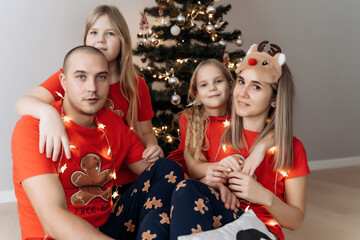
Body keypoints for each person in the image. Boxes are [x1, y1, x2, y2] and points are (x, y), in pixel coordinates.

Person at [12, 46, 184, 240]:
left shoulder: (112, 124)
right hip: (58, 236)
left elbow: (157, 174)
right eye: (81, 77)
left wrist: (206, 180)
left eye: (101, 77)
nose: (92, 87)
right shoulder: (33, 127)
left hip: (106, 230)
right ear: (63, 82)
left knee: (167, 168)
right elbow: (53, 219)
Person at [169, 41, 310, 240]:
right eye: (242, 81)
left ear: (275, 99)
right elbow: (196, 181)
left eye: (256, 87)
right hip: (219, 221)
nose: (242, 93)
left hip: (261, 229)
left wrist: (263, 196)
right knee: (183, 192)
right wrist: (211, 182)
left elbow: (296, 221)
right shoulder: (215, 130)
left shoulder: (292, 148)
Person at [14, 5, 163, 192]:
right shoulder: (73, 77)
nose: (100, 39)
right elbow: (24, 102)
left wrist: (152, 147)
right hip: (89, 177)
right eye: (94, 32)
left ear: (123, 40)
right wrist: (48, 113)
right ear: (85, 38)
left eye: (110, 33)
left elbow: (146, 132)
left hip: (130, 176)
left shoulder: (135, 84)